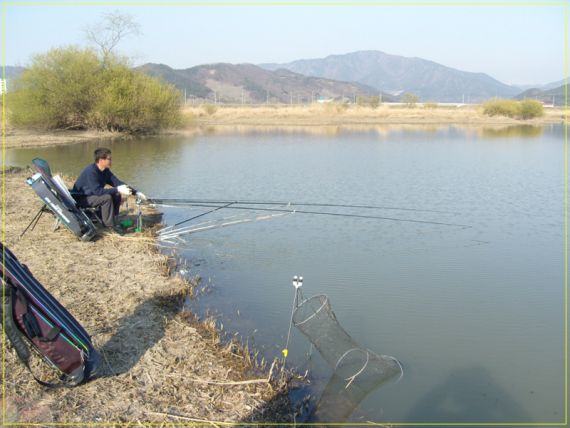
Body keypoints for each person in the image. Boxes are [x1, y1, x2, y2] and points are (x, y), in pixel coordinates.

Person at [72, 148, 146, 229]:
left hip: (92, 196)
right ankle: (109, 226)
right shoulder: (91, 171)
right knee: (106, 198)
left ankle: (113, 219)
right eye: (109, 159)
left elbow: (118, 183)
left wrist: (135, 192)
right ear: (101, 160)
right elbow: (98, 192)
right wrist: (117, 189)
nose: (111, 161)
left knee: (116, 194)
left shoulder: (105, 171)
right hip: (82, 198)